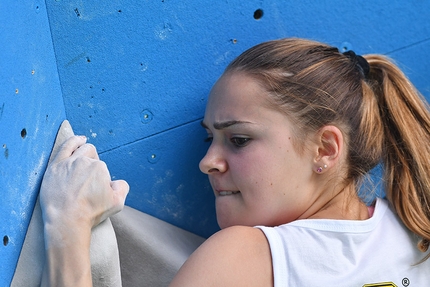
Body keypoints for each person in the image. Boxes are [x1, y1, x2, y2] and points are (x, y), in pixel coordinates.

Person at [39, 38, 430, 286]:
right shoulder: (412, 229)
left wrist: (67, 229)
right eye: (211, 138)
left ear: (325, 149)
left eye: (238, 139)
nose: (207, 162)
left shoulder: (249, 256)